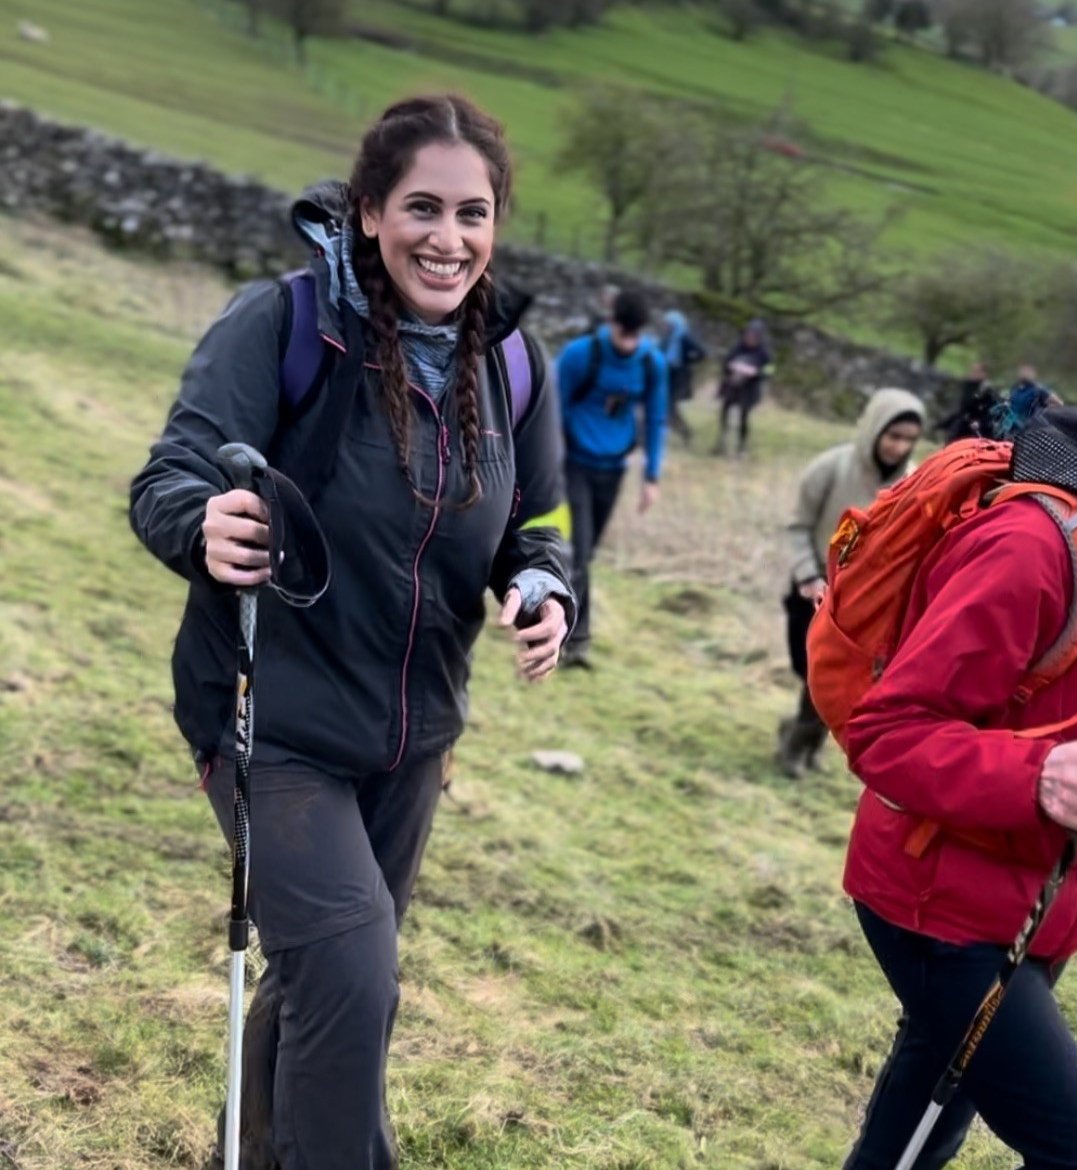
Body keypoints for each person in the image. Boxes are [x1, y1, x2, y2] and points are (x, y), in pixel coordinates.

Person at [129, 94, 575, 1170]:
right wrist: (208, 525)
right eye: (422, 207)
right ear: (369, 211)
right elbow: (170, 478)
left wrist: (544, 586)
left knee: (326, 978)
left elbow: (540, 520)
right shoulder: (286, 325)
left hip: (412, 739)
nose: (449, 237)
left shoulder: (514, 367)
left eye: (474, 214)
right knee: (352, 974)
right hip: (268, 722)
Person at [839, 413, 1077, 1169]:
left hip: (1041, 904)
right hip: (941, 902)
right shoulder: (1032, 549)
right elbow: (886, 730)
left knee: (918, 1136)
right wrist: (1039, 776)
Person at [779, 388, 925, 777]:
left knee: (836, 680)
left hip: (864, 607)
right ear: (874, 429)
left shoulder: (916, 484)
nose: (899, 447)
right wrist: (809, 576)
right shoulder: (828, 468)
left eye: (908, 440)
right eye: (893, 436)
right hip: (809, 592)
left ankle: (798, 747)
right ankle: (798, 735)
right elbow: (797, 527)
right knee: (808, 672)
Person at [557, 289, 668, 669]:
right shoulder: (579, 355)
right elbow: (551, 408)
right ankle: (576, 642)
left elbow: (655, 419)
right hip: (572, 464)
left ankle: (555, 622)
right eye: (624, 334)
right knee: (579, 554)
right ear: (612, 324)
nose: (629, 344)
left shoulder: (651, 364)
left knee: (585, 555)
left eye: (635, 337)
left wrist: (651, 477)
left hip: (613, 470)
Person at [714, 318, 773, 457]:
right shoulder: (737, 347)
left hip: (749, 390)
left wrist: (757, 373)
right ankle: (721, 442)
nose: (749, 338)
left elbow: (770, 370)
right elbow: (726, 362)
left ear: (759, 337)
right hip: (733, 386)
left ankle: (741, 447)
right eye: (748, 334)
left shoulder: (764, 353)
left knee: (743, 417)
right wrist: (731, 367)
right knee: (725, 412)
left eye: (753, 335)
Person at [659, 308, 706, 446]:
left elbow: (701, 353)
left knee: (669, 407)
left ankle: (681, 432)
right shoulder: (666, 338)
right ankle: (684, 432)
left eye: (668, 324)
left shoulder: (684, 337)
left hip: (679, 377)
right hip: (667, 374)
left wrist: (687, 361)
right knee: (668, 407)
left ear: (675, 324)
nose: (665, 326)